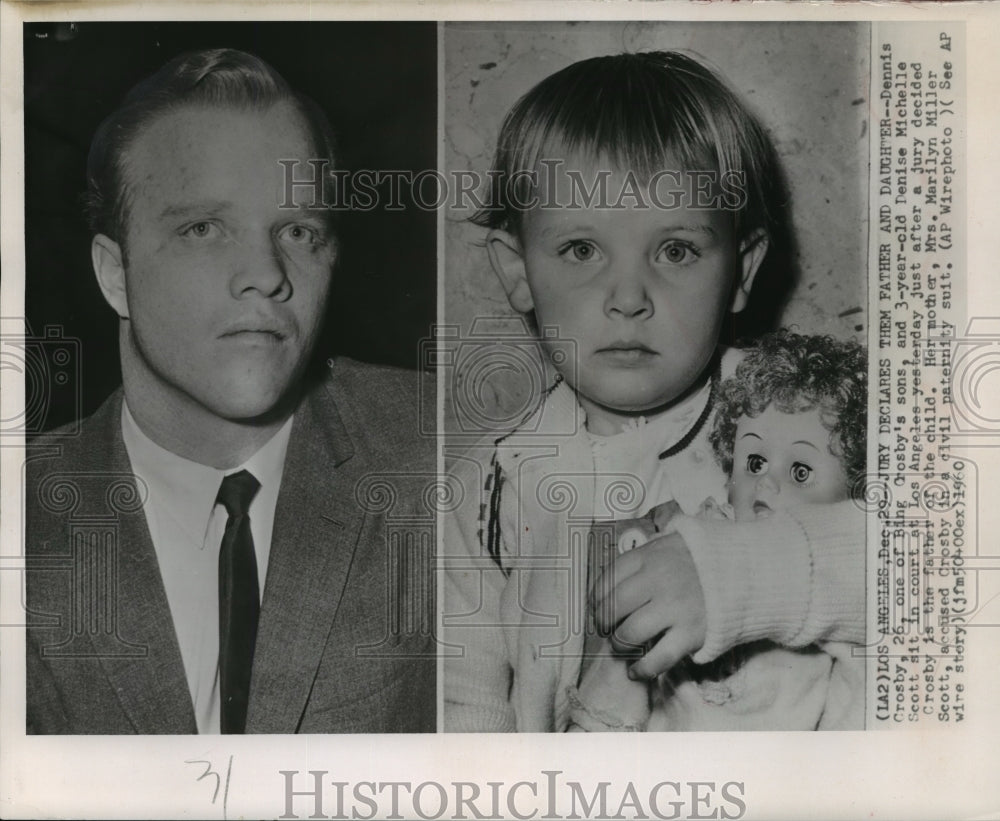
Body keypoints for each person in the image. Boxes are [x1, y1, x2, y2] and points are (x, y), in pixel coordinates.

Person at [442, 50, 865, 732]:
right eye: (582, 249)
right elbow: (467, 708)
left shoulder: (796, 418)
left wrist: (730, 575)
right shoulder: (485, 495)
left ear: (743, 268)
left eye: (675, 251)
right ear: (518, 271)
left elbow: (924, 562)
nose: (629, 298)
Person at [26, 49, 435, 734]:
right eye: (203, 229)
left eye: (298, 230)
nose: (266, 274)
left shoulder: (448, 450)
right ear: (114, 274)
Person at [569, 330, 867, 731]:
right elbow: (623, 668)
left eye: (800, 471)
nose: (766, 484)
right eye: (755, 462)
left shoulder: (837, 598)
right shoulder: (683, 546)